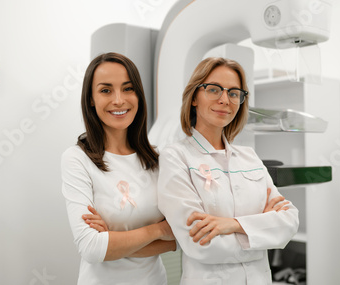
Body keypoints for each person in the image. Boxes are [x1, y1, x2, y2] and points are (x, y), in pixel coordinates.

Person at [157, 57, 299, 284]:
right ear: (194, 97)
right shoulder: (176, 157)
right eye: (213, 89)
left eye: (234, 93)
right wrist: (264, 231)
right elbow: (201, 244)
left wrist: (232, 225)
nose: (225, 100)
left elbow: (289, 222)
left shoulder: (249, 156)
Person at [61, 52, 176, 285]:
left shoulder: (160, 159)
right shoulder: (77, 159)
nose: (118, 100)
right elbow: (91, 248)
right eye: (105, 90)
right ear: (91, 99)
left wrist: (111, 240)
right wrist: (158, 230)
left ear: (138, 95)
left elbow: (180, 238)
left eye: (127, 88)